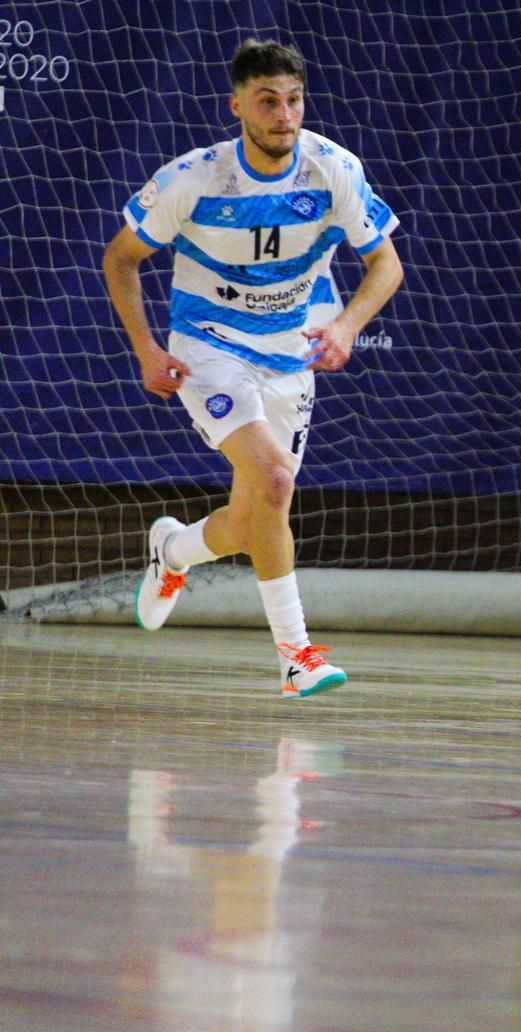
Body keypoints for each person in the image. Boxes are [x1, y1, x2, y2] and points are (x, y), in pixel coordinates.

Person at [102, 39, 403, 698]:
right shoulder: (194, 179)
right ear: (238, 105)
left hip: (291, 357)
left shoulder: (332, 170)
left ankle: (174, 551)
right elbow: (120, 258)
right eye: (268, 101)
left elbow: (387, 264)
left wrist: (347, 326)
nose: (284, 115)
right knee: (273, 478)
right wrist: (149, 351)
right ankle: (296, 655)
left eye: (293, 100)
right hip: (209, 347)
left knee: (254, 515)